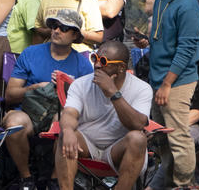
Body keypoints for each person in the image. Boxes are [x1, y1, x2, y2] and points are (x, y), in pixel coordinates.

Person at [1, 9, 93, 189]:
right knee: (14, 124)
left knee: (64, 123)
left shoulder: (82, 64)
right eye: (54, 26)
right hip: (29, 112)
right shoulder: (31, 53)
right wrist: (34, 88)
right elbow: (10, 95)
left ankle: (54, 181)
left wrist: (69, 87)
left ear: (75, 35)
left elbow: (90, 105)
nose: (57, 31)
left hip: (61, 116)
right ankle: (26, 179)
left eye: (64, 28)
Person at [136, 0, 199, 189]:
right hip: (159, 78)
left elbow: (186, 50)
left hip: (176, 80)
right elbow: (164, 35)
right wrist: (146, 40)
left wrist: (167, 84)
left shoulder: (188, 6)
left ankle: (185, 185)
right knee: (162, 138)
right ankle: (170, 182)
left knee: (178, 137)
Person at [55, 41, 153, 190]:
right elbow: (69, 113)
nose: (97, 65)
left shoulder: (142, 89)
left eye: (104, 61)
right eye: (95, 58)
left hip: (117, 151)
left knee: (138, 139)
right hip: (86, 147)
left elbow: (138, 124)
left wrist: (113, 94)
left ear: (121, 68)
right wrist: (68, 131)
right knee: (65, 134)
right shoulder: (80, 84)